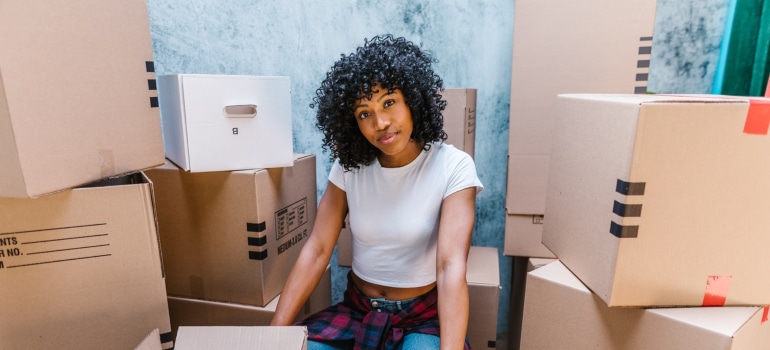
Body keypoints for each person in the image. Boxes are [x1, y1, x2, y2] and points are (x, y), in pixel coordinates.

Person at [270, 34, 483, 350]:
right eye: (364, 113)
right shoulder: (349, 166)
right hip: (358, 311)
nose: (380, 123)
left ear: (412, 99)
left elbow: (450, 267)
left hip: (422, 318)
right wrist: (272, 335)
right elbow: (317, 249)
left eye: (389, 102)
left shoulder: (454, 166)